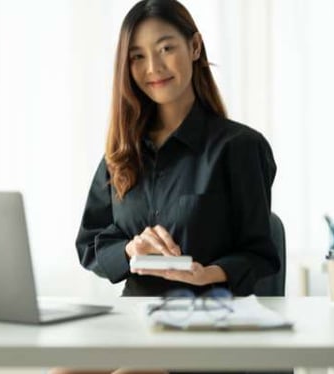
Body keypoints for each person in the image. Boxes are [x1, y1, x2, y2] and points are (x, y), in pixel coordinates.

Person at [52, 0, 279, 373]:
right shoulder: (120, 154)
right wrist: (130, 248)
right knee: (63, 370)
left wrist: (208, 273)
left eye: (166, 48)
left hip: (213, 321)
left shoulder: (239, 148)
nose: (153, 68)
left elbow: (260, 254)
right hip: (136, 320)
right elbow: (90, 245)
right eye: (137, 56)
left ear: (194, 47)